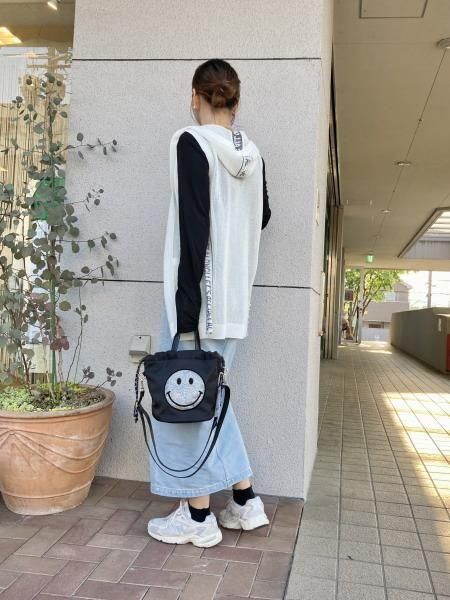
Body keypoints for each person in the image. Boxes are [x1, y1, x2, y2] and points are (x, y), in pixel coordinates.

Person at [147, 58, 272, 548]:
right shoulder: (253, 154)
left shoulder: (190, 141)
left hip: (199, 301)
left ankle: (197, 517)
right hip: (235, 301)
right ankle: (245, 500)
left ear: (194, 97)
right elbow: (262, 216)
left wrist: (184, 310)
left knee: (188, 402)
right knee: (208, 397)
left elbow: (193, 227)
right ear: (235, 104)